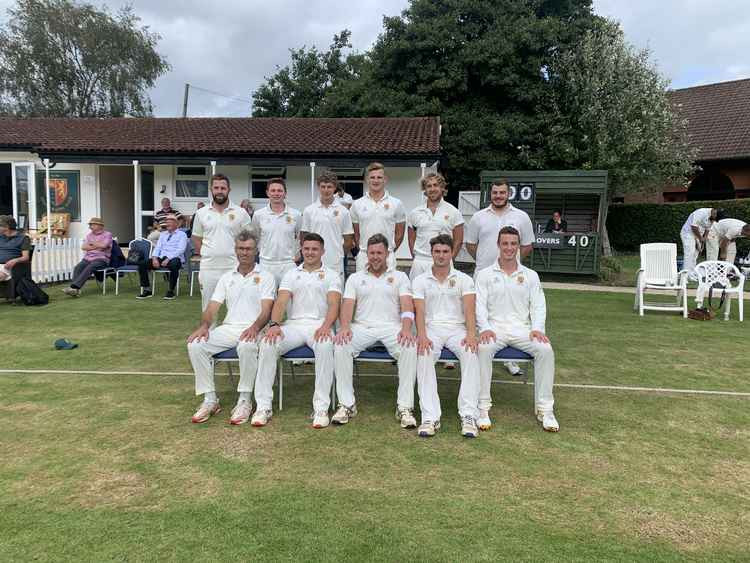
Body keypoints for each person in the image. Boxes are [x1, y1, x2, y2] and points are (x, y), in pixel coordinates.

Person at [251, 233, 342, 428]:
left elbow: (334, 304)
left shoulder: (333, 275)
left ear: (322, 251)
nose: (310, 252)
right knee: (268, 343)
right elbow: (281, 301)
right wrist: (274, 324)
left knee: (326, 346)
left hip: (319, 326)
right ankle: (263, 406)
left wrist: (326, 326)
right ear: (301, 249)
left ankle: (321, 408)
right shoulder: (291, 274)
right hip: (293, 325)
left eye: (314, 249)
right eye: (307, 248)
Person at [186, 230, 275, 424]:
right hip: (229, 328)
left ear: (256, 250)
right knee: (196, 345)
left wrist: (254, 328)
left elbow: (267, 310)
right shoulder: (227, 277)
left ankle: (244, 400)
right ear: (235, 250)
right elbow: (213, 307)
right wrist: (204, 326)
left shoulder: (266, 276)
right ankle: (210, 399)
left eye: (249, 249)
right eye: (241, 249)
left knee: (247, 345)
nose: (245, 253)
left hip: (256, 329)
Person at [475, 226, 559, 433]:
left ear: (519, 246)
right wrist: (484, 327)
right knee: (483, 349)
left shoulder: (531, 276)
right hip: (494, 329)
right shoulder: (485, 275)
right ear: (498, 245)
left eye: (513, 244)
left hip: (523, 330)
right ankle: (482, 407)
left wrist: (538, 328)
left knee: (546, 350)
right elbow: (479, 305)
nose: (509, 248)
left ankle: (545, 409)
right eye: (505, 243)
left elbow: (538, 305)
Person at [333, 234, 417, 427]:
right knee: (340, 344)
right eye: (372, 253)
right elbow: (347, 306)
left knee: (409, 348)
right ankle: (346, 404)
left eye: (379, 252)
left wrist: (406, 329)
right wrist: (345, 327)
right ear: (366, 254)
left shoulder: (400, 277)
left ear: (387, 253)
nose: (375, 257)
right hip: (362, 327)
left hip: (392, 327)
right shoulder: (355, 278)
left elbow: (407, 306)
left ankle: (404, 407)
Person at [413, 234, 480, 438]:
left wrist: (471, 335)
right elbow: (420, 312)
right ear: (431, 253)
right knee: (424, 355)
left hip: (457, 329)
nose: (441, 255)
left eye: (445, 251)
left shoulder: (464, 280)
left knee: (471, 354)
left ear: (452, 253)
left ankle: (468, 415)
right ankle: (430, 417)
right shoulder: (420, 280)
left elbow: (469, 310)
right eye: (437, 252)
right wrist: (422, 336)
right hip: (431, 328)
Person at [465, 179, 534, 377]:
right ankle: (478, 356)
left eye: (502, 192)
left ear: (508, 194)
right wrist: (485, 263)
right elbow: (471, 245)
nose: (498, 196)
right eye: (495, 192)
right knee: (480, 316)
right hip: (483, 275)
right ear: (490, 194)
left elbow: (527, 246)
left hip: (511, 276)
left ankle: (510, 360)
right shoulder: (479, 217)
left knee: (510, 316)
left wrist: (512, 262)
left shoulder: (521, 217)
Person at [191, 174, 252, 313]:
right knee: (208, 307)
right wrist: (208, 254)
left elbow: (249, 239)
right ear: (211, 189)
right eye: (216, 187)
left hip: (234, 266)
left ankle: (236, 334)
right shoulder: (201, 213)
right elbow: (196, 238)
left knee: (237, 307)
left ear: (229, 190)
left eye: (223, 188)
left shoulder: (241, 213)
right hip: (209, 268)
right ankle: (209, 334)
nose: (219, 191)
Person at [350, 162, 407, 271]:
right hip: (364, 256)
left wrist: (389, 250)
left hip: (387, 256)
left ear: (385, 179)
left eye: (379, 177)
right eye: (372, 177)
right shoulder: (357, 204)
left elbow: (399, 234)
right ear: (367, 179)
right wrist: (365, 250)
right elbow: (356, 234)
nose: (376, 180)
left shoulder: (397, 203)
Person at [407, 172, 464, 281]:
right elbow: (411, 238)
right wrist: (416, 258)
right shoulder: (415, 212)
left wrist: (449, 258)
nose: (432, 189)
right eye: (429, 186)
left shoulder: (453, 212)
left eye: (435, 185)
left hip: (444, 261)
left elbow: (458, 240)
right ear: (424, 189)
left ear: (442, 187)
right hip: (420, 262)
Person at [301, 170, 354, 277]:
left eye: (329, 187)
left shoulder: (344, 211)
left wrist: (337, 254)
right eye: (323, 186)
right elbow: (304, 238)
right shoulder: (309, 210)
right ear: (318, 187)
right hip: (314, 263)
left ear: (335, 188)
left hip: (335, 263)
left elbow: (348, 241)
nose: (326, 190)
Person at [251, 178, 302, 288]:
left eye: (280, 191)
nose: (276, 193)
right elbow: (255, 237)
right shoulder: (259, 215)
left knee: (289, 302)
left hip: (288, 263)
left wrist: (297, 252)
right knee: (266, 300)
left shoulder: (296, 214)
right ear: (267, 193)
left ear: (285, 193)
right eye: (273, 190)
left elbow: (300, 236)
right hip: (266, 263)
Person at [136, 214, 187, 300]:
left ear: (176, 224)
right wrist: (155, 258)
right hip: (161, 258)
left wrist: (168, 259)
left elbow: (180, 250)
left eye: (169, 222)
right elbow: (158, 247)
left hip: (174, 258)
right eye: (166, 222)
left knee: (174, 264)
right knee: (142, 264)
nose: (167, 224)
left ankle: (171, 291)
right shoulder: (163, 234)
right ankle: (147, 290)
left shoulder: (182, 234)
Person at [62, 217, 112, 297]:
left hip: (101, 259)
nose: (90, 226)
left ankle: (74, 287)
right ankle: (76, 290)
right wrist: (97, 245)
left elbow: (104, 245)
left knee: (90, 267)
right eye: (90, 225)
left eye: (92, 224)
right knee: (78, 267)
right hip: (88, 258)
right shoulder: (89, 235)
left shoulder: (107, 234)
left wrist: (92, 244)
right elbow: (84, 247)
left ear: (99, 225)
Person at [680, 207, 725, 272]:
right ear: (714, 213)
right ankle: (685, 274)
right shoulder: (701, 212)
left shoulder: (712, 217)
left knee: (695, 255)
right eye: (715, 218)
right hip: (688, 233)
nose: (714, 220)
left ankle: (691, 273)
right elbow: (693, 227)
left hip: (698, 235)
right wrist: (700, 238)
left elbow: (708, 228)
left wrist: (704, 239)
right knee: (689, 253)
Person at [0, 215, 30, 283]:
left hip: (9, 267)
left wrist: (14, 261)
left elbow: (26, 257)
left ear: (6, 227)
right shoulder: (1, 237)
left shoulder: (23, 238)